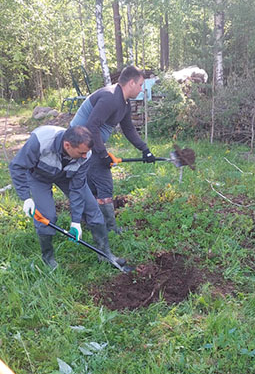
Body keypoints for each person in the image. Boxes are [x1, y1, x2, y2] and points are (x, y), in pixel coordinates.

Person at [9, 125, 126, 269]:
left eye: (86, 152)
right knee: (47, 216)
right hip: (38, 176)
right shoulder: (40, 140)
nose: (85, 156)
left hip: (68, 176)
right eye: (81, 152)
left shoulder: (86, 154)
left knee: (92, 209)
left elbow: (77, 189)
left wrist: (75, 222)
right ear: (67, 145)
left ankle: (105, 254)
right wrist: (26, 197)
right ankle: (48, 259)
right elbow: (16, 166)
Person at [70, 65, 155, 233]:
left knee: (92, 185)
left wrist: (145, 150)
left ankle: (89, 222)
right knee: (104, 183)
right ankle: (109, 229)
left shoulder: (123, 103)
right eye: (140, 85)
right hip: (79, 142)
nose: (141, 89)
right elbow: (91, 126)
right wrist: (103, 155)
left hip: (89, 142)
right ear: (131, 83)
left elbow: (128, 129)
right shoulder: (110, 97)